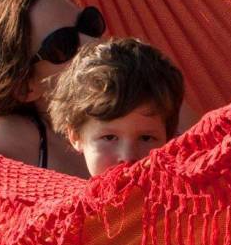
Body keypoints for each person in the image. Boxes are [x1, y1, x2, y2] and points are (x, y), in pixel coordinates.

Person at [0, 0, 107, 177]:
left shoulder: (143, 113)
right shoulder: (8, 137)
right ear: (24, 87)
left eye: (89, 25)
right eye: (63, 45)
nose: (92, 42)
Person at [46, 38, 185, 177]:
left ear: (168, 138)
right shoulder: (63, 196)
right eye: (110, 137)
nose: (128, 157)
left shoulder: (189, 194)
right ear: (75, 136)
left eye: (146, 138)